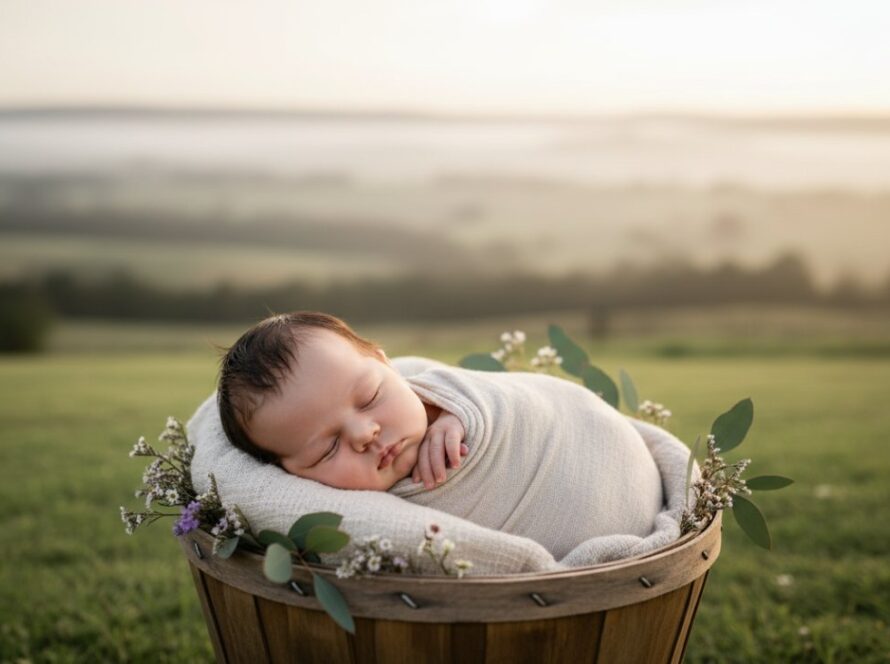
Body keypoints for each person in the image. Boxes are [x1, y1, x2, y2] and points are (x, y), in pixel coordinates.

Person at [217, 311, 468, 491]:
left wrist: (459, 413)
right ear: (287, 474)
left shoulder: (450, 393)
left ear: (386, 364)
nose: (364, 434)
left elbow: (498, 392)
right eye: (328, 449)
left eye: (370, 397)